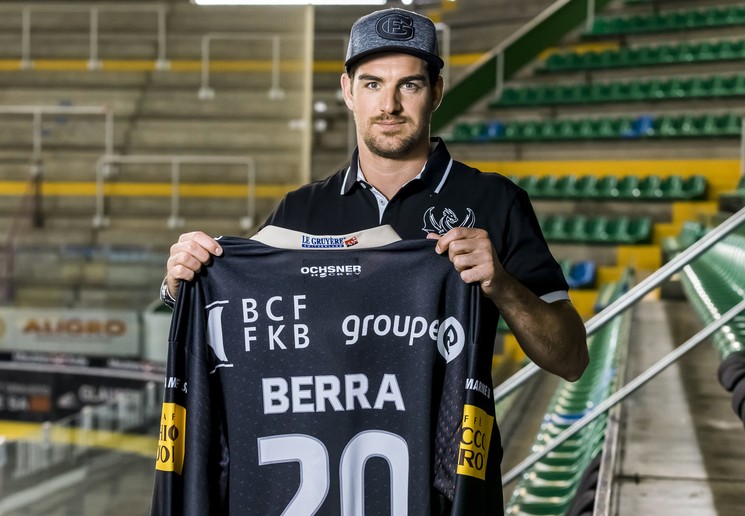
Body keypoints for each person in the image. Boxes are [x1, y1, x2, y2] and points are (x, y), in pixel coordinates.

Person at [162, 7, 588, 383]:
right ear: (348, 91)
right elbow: (235, 317)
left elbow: (570, 360)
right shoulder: (300, 209)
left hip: (445, 468)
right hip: (330, 461)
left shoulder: (496, 201)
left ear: (436, 91)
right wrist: (181, 285)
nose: (389, 105)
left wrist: (502, 285)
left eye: (409, 85)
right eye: (371, 85)